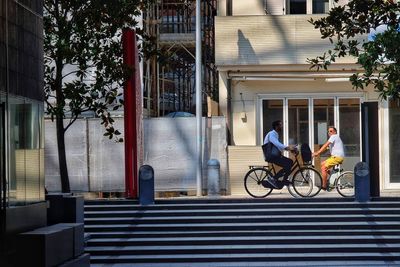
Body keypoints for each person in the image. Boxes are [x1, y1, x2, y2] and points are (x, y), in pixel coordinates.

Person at [262, 120, 296, 189]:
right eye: (280, 125)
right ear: (276, 126)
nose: (282, 126)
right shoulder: (272, 134)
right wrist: (288, 147)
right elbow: (277, 144)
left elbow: (278, 147)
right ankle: (274, 179)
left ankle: (283, 180)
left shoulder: (275, 134)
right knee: (289, 162)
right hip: (272, 156)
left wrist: (289, 149)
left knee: (289, 163)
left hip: (275, 155)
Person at [312, 126, 345, 190]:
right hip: (336, 157)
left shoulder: (334, 136)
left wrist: (318, 153)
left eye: (331, 131)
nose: (329, 132)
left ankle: (324, 186)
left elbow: (325, 145)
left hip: (337, 157)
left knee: (323, 168)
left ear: (335, 132)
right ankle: (334, 175)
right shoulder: (334, 138)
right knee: (322, 164)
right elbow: (326, 148)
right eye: (328, 131)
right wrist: (315, 153)